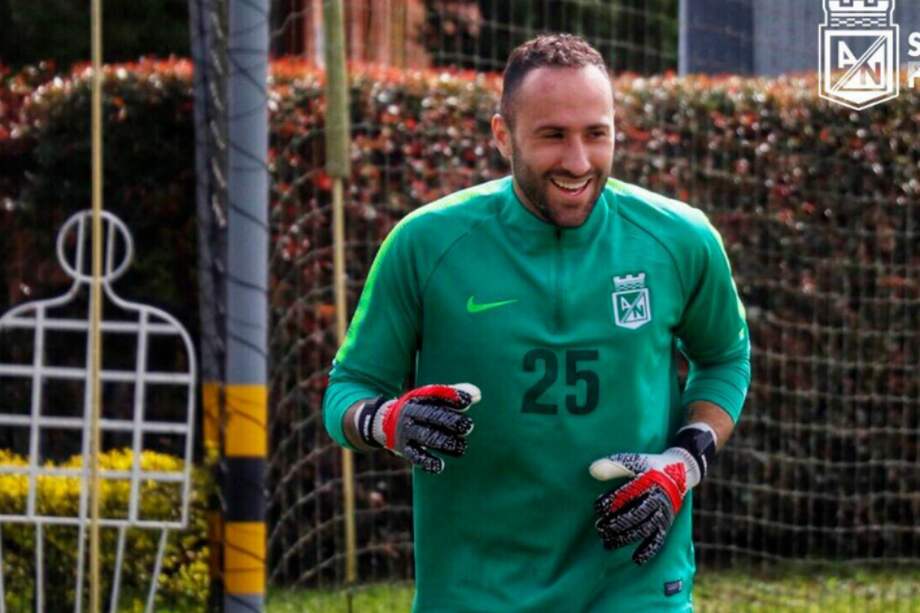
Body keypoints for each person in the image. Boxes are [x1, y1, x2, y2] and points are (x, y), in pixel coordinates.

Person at [323, 33, 751, 612]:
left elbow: (724, 357)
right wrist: (384, 420)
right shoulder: (425, 244)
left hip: (636, 583)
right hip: (476, 589)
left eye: (596, 134)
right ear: (503, 135)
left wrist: (684, 461)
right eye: (553, 136)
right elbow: (348, 390)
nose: (578, 162)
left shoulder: (681, 239)